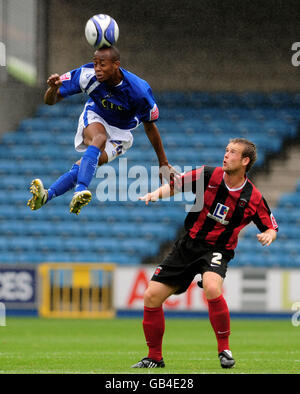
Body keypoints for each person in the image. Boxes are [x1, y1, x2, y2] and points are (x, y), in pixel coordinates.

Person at [132, 138, 278, 369]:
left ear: (245, 161)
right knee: (151, 296)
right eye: (226, 150)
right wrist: (153, 194)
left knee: (211, 287)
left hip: (217, 249)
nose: (226, 155)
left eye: (233, 152)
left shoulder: (254, 197)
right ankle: (154, 357)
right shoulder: (208, 174)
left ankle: (224, 350)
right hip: (188, 245)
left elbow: (270, 225)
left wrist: (269, 234)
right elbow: (175, 186)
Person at [27, 46, 177, 214]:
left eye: (102, 64)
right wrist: (53, 88)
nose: (97, 69)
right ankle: (80, 190)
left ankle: (46, 196)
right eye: (95, 63)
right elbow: (50, 101)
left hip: (122, 134)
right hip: (96, 117)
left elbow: (150, 126)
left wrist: (163, 162)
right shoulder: (87, 75)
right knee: (99, 138)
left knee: (86, 165)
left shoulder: (138, 91)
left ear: (116, 65)